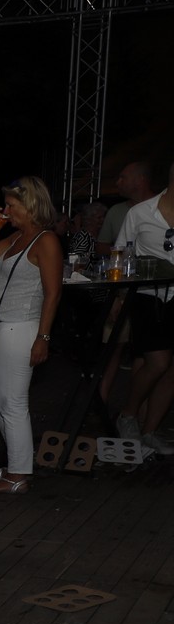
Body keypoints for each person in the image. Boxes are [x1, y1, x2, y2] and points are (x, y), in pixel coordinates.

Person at [0, 176, 64, 493]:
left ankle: (18, 475)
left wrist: (43, 337)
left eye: (11, 205)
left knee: (12, 402)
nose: (6, 210)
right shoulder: (16, 238)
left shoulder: (46, 241)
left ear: (30, 204)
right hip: (2, 328)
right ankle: (16, 463)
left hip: (21, 327)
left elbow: (53, 294)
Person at [114, 163, 174, 453]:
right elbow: (119, 254)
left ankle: (150, 430)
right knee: (158, 362)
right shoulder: (140, 213)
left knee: (172, 369)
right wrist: (119, 298)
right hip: (149, 296)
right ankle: (128, 414)